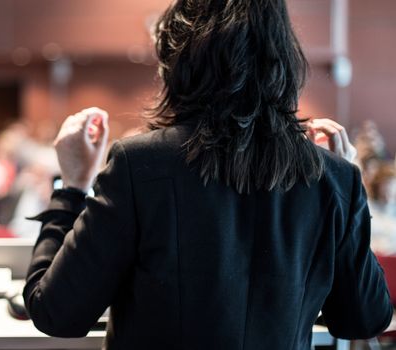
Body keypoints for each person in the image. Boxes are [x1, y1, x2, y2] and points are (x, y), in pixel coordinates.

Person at [23, 1, 391, 349]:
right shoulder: (332, 178)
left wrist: (71, 188)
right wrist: (347, 191)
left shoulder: (139, 165)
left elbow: (56, 312)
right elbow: (364, 318)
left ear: (177, 57)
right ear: (283, 53)